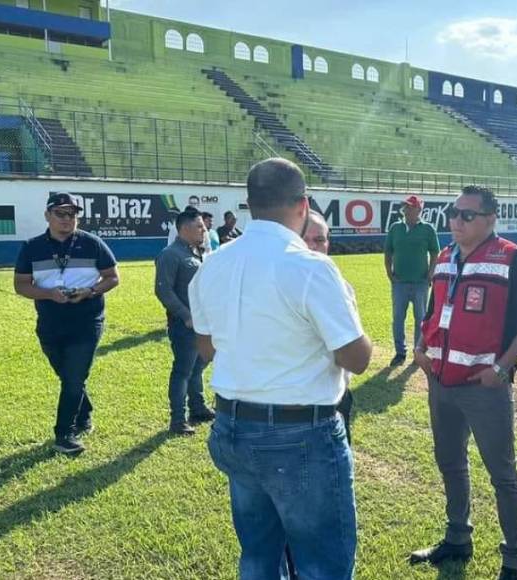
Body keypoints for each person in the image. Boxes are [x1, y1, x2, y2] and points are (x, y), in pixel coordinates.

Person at [190, 158, 371, 579]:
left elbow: (206, 348)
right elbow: (356, 359)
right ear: (303, 205)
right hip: (300, 434)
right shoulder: (310, 267)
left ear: (250, 204)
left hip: (233, 425)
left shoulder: (213, 264)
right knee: (322, 563)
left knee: (258, 555)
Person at [410, 185, 517, 580]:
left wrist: (501, 369)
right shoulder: (446, 256)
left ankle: (514, 560)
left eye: (467, 215)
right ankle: (457, 537)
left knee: (502, 473)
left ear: (490, 219)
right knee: (450, 462)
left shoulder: (513, 258)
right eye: (454, 213)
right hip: (441, 381)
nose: (457, 221)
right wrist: (421, 348)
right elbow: (433, 312)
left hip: (484, 387)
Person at [13, 193, 120, 455]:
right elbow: (21, 285)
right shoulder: (32, 247)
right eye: (61, 213)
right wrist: (49, 294)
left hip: (87, 319)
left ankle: (64, 435)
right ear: (47, 215)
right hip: (50, 322)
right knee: (67, 375)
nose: (67, 219)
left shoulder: (92, 243)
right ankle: (84, 413)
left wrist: (91, 291)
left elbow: (112, 277)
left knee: (74, 377)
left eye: (72, 214)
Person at [155, 209, 215, 436]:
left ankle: (197, 407)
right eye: (199, 226)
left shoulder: (196, 252)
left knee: (198, 366)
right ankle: (178, 419)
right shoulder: (171, 255)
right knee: (183, 370)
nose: (204, 230)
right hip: (185, 325)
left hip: (203, 323)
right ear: (184, 228)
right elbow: (163, 290)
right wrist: (185, 315)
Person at [302, 209, 355, 445]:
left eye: (319, 239)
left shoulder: (341, 285)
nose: (313, 246)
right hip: (302, 403)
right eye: (306, 239)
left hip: (337, 391)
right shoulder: (277, 281)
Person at [384, 194, 439, 366]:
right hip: (399, 282)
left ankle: (418, 351)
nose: (406, 209)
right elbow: (388, 252)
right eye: (405, 207)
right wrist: (389, 273)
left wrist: (430, 274)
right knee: (398, 318)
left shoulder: (428, 229)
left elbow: (435, 253)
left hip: (420, 283)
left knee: (420, 319)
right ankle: (400, 353)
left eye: (410, 207)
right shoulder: (395, 228)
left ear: (419, 209)